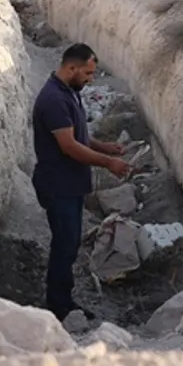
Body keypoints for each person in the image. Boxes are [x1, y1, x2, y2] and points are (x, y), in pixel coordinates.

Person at [31, 43, 131, 322]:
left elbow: (78, 136)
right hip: (58, 184)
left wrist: (105, 148)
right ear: (71, 67)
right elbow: (69, 146)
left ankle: (63, 300)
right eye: (87, 73)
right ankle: (59, 306)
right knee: (64, 244)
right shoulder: (54, 99)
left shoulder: (69, 93)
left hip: (70, 184)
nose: (90, 78)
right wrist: (108, 163)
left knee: (69, 243)